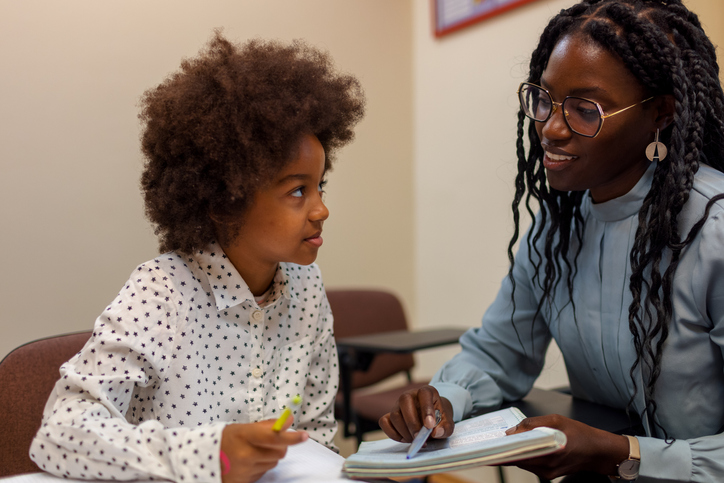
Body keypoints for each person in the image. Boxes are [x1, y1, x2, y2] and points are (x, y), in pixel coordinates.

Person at [379, 1, 724, 481]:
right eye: (544, 99)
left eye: (586, 110)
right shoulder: (558, 227)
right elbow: (499, 353)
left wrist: (621, 453)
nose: (551, 128)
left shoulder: (714, 231)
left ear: (659, 114)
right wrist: (443, 401)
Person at [30, 31, 364, 483]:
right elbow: (59, 432)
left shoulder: (306, 289)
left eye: (320, 187)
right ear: (226, 200)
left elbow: (315, 435)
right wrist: (209, 454)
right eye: (298, 191)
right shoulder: (161, 292)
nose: (322, 209)